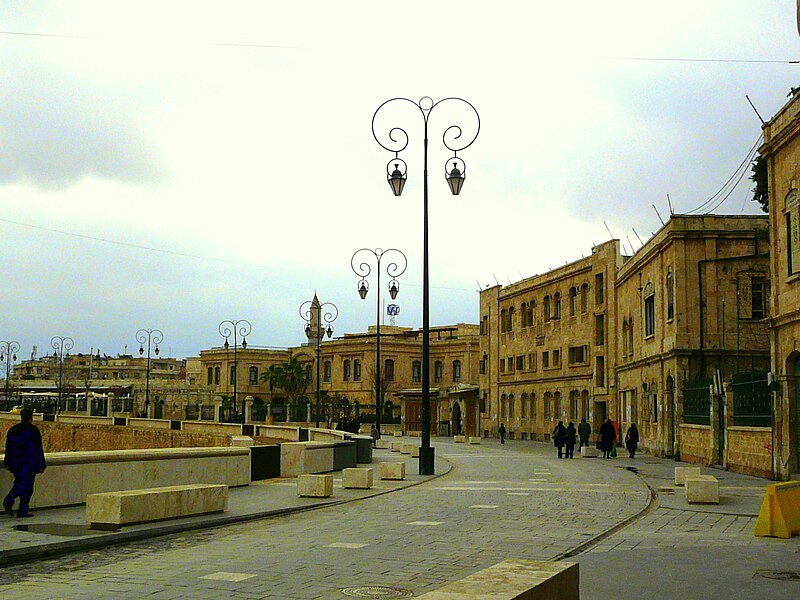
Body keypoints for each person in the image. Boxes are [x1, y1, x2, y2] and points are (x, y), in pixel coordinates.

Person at [3, 408, 47, 518]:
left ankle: (12, 502)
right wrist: (42, 464)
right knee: (27, 486)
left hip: (16, 463)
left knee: (19, 483)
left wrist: (7, 462)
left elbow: (8, 448)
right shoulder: (33, 430)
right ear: (31, 417)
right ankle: (18, 506)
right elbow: (38, 448)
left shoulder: (13, 430)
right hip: (29, 463)